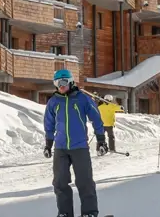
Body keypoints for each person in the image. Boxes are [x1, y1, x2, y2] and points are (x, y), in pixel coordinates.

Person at [44, 69, 106, 217]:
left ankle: (89, 212)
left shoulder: (82, 99)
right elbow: (49, 124)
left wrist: (101, 140)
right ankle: (64, 213)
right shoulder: (53, 101)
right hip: (61, 148)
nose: (61, 86)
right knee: (60, 183)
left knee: (85, 182)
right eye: (57, 83)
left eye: (64, 82)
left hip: (79, 147)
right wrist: (48, 144)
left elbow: (96, 119)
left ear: (71, 82)